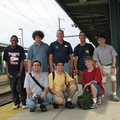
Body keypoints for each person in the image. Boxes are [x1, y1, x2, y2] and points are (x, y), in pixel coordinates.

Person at [3, 35, 27, 109]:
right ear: (10, 41)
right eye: (13, 40)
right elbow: (6, 62)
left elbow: (22, 61)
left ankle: (24, 102)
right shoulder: (7, 49)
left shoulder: (20, 49)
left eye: (15, 40)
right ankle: (16, 103)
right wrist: (7, 72)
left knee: (21, 88)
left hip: (20, 72)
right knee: (13, 88)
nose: (14, 42)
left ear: (17, 41)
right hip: (11, 72)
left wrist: (20, 72)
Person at [93, 34, 119, 101]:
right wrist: (102, 70)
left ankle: (114, 94)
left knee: (114, 80)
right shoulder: (96, 50)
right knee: (102, 82)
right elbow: (97, 61)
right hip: (102, 66)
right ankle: (102, 96)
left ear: (104, 40)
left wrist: (113, 67)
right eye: (99, 40)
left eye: (102, 40)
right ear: (98, 41)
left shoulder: (110, 47)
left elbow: (114, 57)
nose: (101, 41)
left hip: (111, 65)